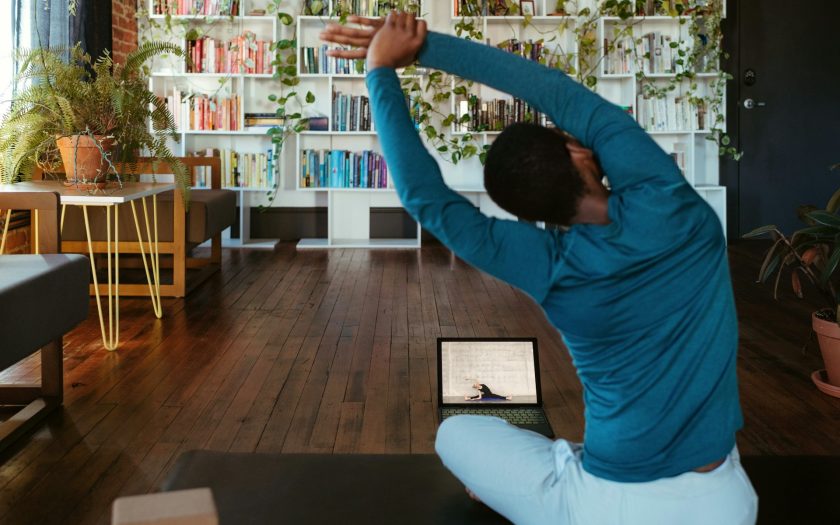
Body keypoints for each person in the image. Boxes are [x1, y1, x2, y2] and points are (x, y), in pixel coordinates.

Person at [321, 13, 757, 525]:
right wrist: (415, 47)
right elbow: (555, 90)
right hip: (726, 505)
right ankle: (560, 464)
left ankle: (552, 470)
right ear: (577, 150)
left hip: (610, 506)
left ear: (529, 217)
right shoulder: (673, 204)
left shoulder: (553, 266)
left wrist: (379, 73)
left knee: (457, 433)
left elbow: (426, 200)